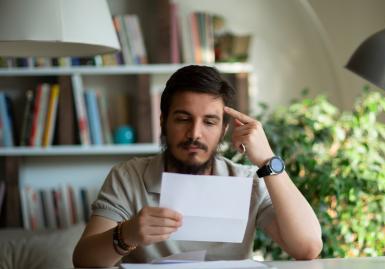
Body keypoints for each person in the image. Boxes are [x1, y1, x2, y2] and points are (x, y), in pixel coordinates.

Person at [72, 65, 322, 267]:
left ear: (224, 129)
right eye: (183, 119)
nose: (195, 133)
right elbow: (84, 261)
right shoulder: (128, 176)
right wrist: (127, 234)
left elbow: (308, 247)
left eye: (209, 122)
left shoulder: (248, 181)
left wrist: (268, 160)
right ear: (163, 121)